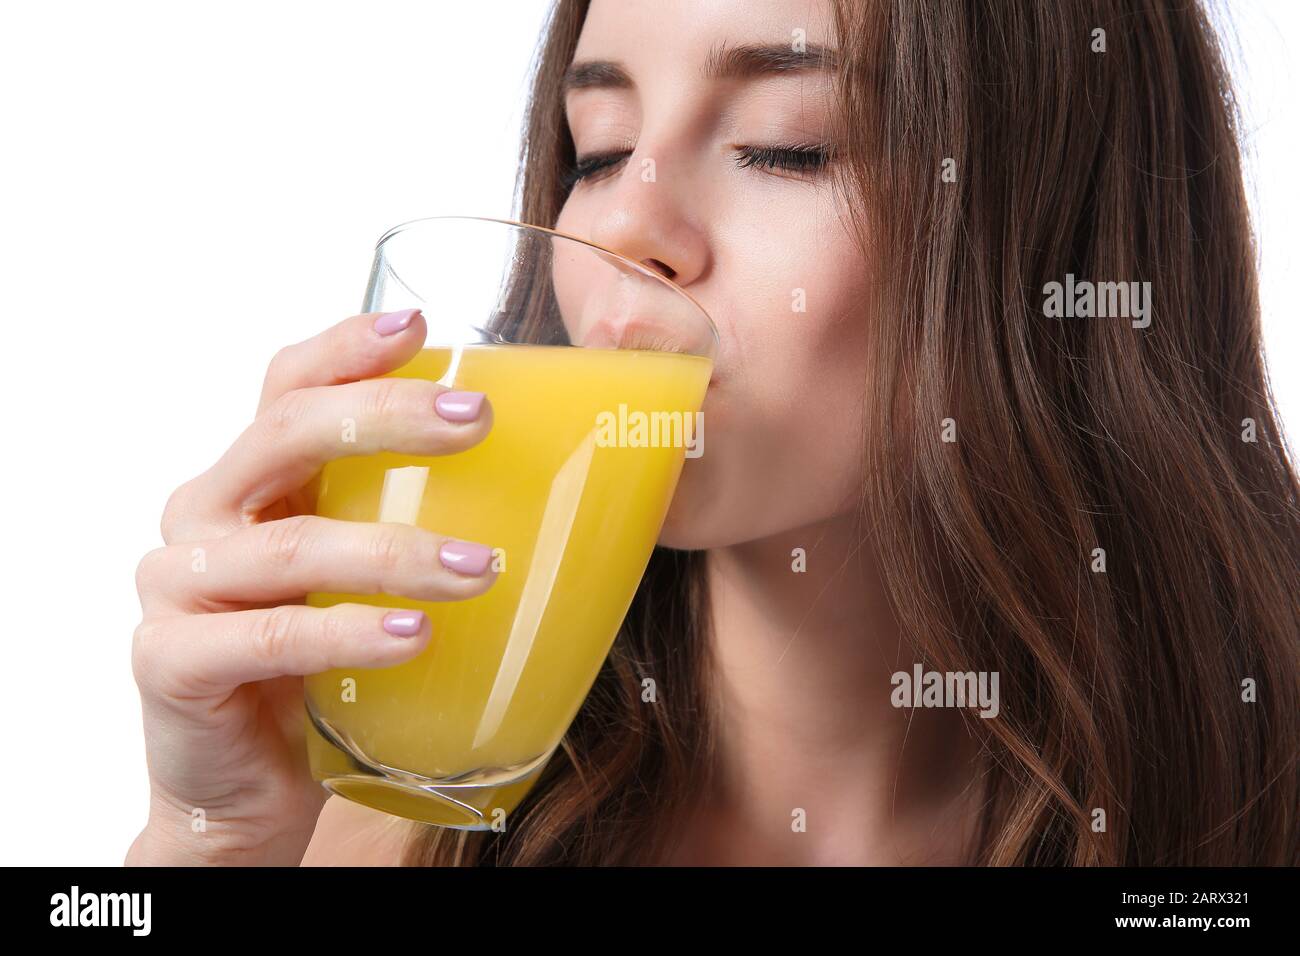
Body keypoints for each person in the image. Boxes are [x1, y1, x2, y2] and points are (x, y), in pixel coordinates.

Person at [127, 0, 1300, 867]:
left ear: (1065, 231)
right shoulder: (400, 824)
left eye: (786, 144)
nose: (624, 218)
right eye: (594, 150)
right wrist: (211, 836)